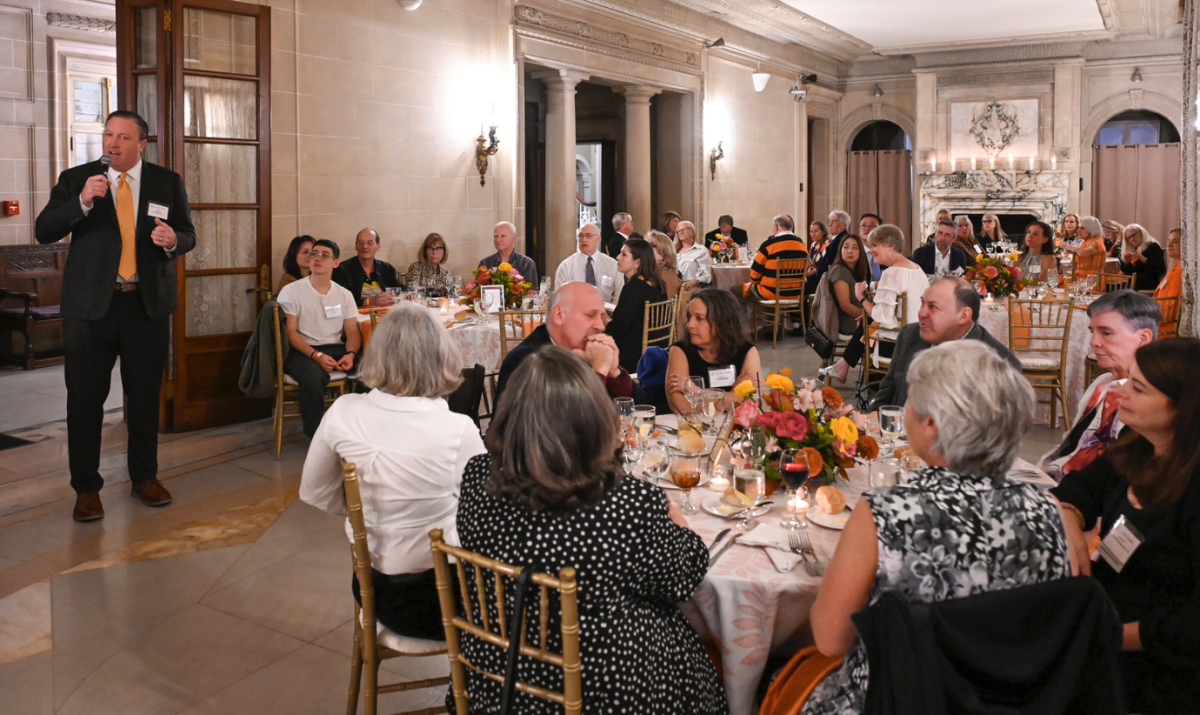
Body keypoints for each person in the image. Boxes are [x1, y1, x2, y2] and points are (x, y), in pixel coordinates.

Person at [454, 347, 728, 715]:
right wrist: (675, 519)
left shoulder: (476, 477)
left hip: (502, 679)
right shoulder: (626, 502)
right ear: (594, 421)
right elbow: (684, 575)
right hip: (606, 690)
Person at [804, 340, 1072, 715]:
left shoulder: (886, 511)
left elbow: (830, 638)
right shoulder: (1048, 510)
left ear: (931, 424)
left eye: (912, 399)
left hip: (900, 697)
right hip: (1012, 699)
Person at [35, 109, 196, 522]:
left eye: (124, 137)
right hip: (91, 307)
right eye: (108, 134)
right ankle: (86, 488)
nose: (113, 143)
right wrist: (83, 202)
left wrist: (173, 239)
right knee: (85, 399)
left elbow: (188, 233)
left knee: (144, 397)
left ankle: (145, 477)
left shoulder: (166, 181)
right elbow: (45, 229)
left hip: (146, 304)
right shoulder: (78, 178)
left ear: (142, 143)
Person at [299, 303, 485, 641]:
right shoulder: (458, 429)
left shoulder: (343, 411)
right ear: (441, 355)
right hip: (442, 601)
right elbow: (487, 516)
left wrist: (368, 509)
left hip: (372, 590)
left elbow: (314, 491)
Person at [1052, 338, 1200, 714]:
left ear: (1183, 406)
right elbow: (1081, 486)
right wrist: (1070, 519)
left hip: (1161, 665)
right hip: (1107, 615)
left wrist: (1106, 637)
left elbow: (1191, 626)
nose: (1121, 392)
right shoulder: (1140, 443)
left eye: (1138, 387)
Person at [1041, 291, 1158, 480]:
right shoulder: (1103, 383)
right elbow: (1074, 445)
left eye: (1107, 333)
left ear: (1143, 338)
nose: (1094, 342)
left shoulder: (1150, 400)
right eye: (1092, 332)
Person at [865, 277, 1020, 411]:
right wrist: (873, 421)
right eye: (922, 304)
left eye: (933, 307)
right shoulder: (910, 335)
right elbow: (887, 392)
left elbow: (989, 434)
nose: (921, 313)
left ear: (963, 315)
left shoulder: (999, 364)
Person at [818, 225, 928, 383]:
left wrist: (861, 298)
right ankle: (843, 367)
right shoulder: (917, 269)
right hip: (918, 339)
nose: (871, 249)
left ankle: (854, 375)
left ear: (891, 247)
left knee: (868, 322)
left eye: (875, 245)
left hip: (895, 344)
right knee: (867, 321)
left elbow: (882, 316)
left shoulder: (891, 273)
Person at [496, 282, 640, 403]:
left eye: (602, 316)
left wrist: (614, 373)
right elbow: (568, 424)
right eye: (590, 315)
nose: (601, 326)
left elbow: (643, 411)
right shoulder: (525, 360)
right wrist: (599, 371)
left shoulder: (587, 350)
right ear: (559, 315)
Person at [277, 238, 362, 439]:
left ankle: (357, 427)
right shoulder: (292, 291)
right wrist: (316, 355)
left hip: (335, 347)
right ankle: (315, 436)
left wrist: (350, 354)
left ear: (335, 263)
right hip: (302, 350)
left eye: (325, 255)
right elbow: (290, 332)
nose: (317, 258)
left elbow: (352, 331)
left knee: (372, 369)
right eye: (314, 254)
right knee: (313, 378)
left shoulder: (344, 294)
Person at [665, 288, 762, 413]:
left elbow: (752, 403)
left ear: (722, 322)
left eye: (699, 318)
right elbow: (680, 407)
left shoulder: (747, 351)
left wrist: (698, 392)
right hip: (694, 428)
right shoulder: (680, 350)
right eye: (690, 316)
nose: (690, 324)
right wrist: (732, 396)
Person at [606, 238, 668, 373]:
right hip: (657, 353)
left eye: (624, 254)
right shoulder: (658, 285)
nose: (617, 257)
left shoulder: (633, 288)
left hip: (633, 358)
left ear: (637, 262)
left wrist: (602, 318)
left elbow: (618, 330)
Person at [555, 222, 624, 304]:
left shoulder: (612, 265)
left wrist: (609, 314)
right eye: (581, 236)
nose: (584, 239)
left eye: (588, 235)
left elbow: (619, 294)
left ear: (598, 239)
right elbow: (559, 297)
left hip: (606, 313)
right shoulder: (566, 266)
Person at [333, 228, 402, 308]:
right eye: (361, 242)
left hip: (385, 314)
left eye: (370, 243)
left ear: (378, 246)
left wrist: (391, 295)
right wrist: (370, 301)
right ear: (356, 246)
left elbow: (401, 289)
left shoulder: (386, 268)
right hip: (357, 315)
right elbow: (341, 299)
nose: (365, 246)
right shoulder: (342, 269)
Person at [747, 214, 808, 301]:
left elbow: (754, 275)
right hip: (796, 294)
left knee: (738, 290)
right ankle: (781, 314)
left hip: (771, 294)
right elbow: (806, 271)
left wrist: (759, 282)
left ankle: (766, 314)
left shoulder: (768, 245)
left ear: (776, 227)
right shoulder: (802, 246)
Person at [826, 233, 870, 337]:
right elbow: (845, 306)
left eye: (855, 248)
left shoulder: (853, 272)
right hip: (848, 322)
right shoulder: (840, 271)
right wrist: (868, 316)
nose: (850, 251)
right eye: (846, 247)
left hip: (857, 319)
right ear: (840, 250)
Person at [480, 221, 538, 286]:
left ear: (514, 238)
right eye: (496, 236)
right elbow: (478, 291)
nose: (498, 239)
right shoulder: (485, 263)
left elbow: (532, 293)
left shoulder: (527, 264)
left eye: (503, 236)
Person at [1118, 223, 1166, 291]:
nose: (1132, 239)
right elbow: (1129, 273)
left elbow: (1160, 270)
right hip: (1134, 284)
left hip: (1147, 284)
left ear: (1141, 232)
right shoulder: (1134, 249)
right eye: (1129, 238)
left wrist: (1143, 259)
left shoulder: (1153, 247)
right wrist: (1126, 262)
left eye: (1133, 235)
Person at [809, 209, 851, 288]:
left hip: (828, 282)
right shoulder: (838, 240)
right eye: (830, 221)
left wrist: (808, 278)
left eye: (834, 221)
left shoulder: (838, 242)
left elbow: (825, 269)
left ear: (844, 225)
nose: (830, 224)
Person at [673, 220, 711, 291]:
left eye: (683, 229)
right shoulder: (673, 250)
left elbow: (707, 275)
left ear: (692, 232)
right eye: (678, 231)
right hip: (672, 286)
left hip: (689, 289)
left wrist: (694, 282)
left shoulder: (701, 250)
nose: (680, 232)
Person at [645, 230, 681, 301]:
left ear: (663, 254)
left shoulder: (660, 278)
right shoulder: (668, 274)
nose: (644, 250)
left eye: (649, 246)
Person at [858, 213, 883, 281]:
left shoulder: (886, 252)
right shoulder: (855, 253)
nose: (867, 228)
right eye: (863, 225)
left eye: (872, 226)